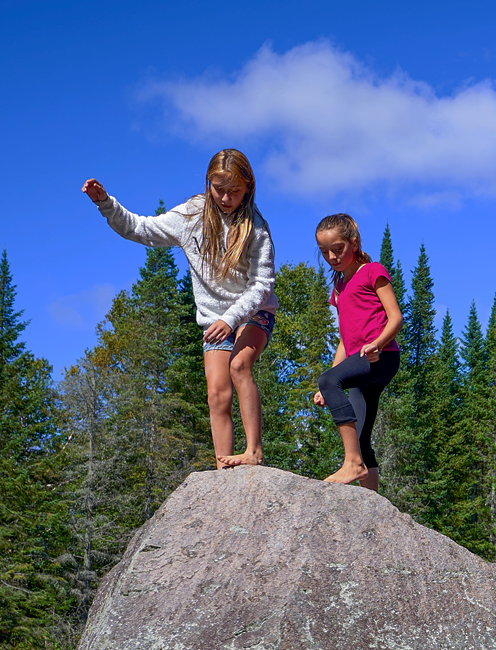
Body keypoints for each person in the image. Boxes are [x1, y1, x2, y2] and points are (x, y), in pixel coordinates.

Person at [82, 149, 279, 469]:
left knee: (240, 365)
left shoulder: (255, 227)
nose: (227, 198)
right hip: (215, 319)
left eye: (235, 191)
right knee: (217, 394)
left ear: (249, 187)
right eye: (220, 190)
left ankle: (253, 451)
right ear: (208, 183)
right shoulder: (192, 216)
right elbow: (140, 229)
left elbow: (262, 285)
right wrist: (105, 203)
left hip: (253, 311)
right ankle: (223, 467)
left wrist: (231, 319)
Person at [309, 213, 402, 488]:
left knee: (328, 380)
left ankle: (352, 463)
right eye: (325, 252)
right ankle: (372, 506)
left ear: (354, 242)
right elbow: (344, 339)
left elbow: (395, 317)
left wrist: (378, 344)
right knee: (361, 438)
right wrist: (331, 381)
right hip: (361, 362)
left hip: (382, 357)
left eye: (338, 249)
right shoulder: (339, 288)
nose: (332, 257)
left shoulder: (373, 271)